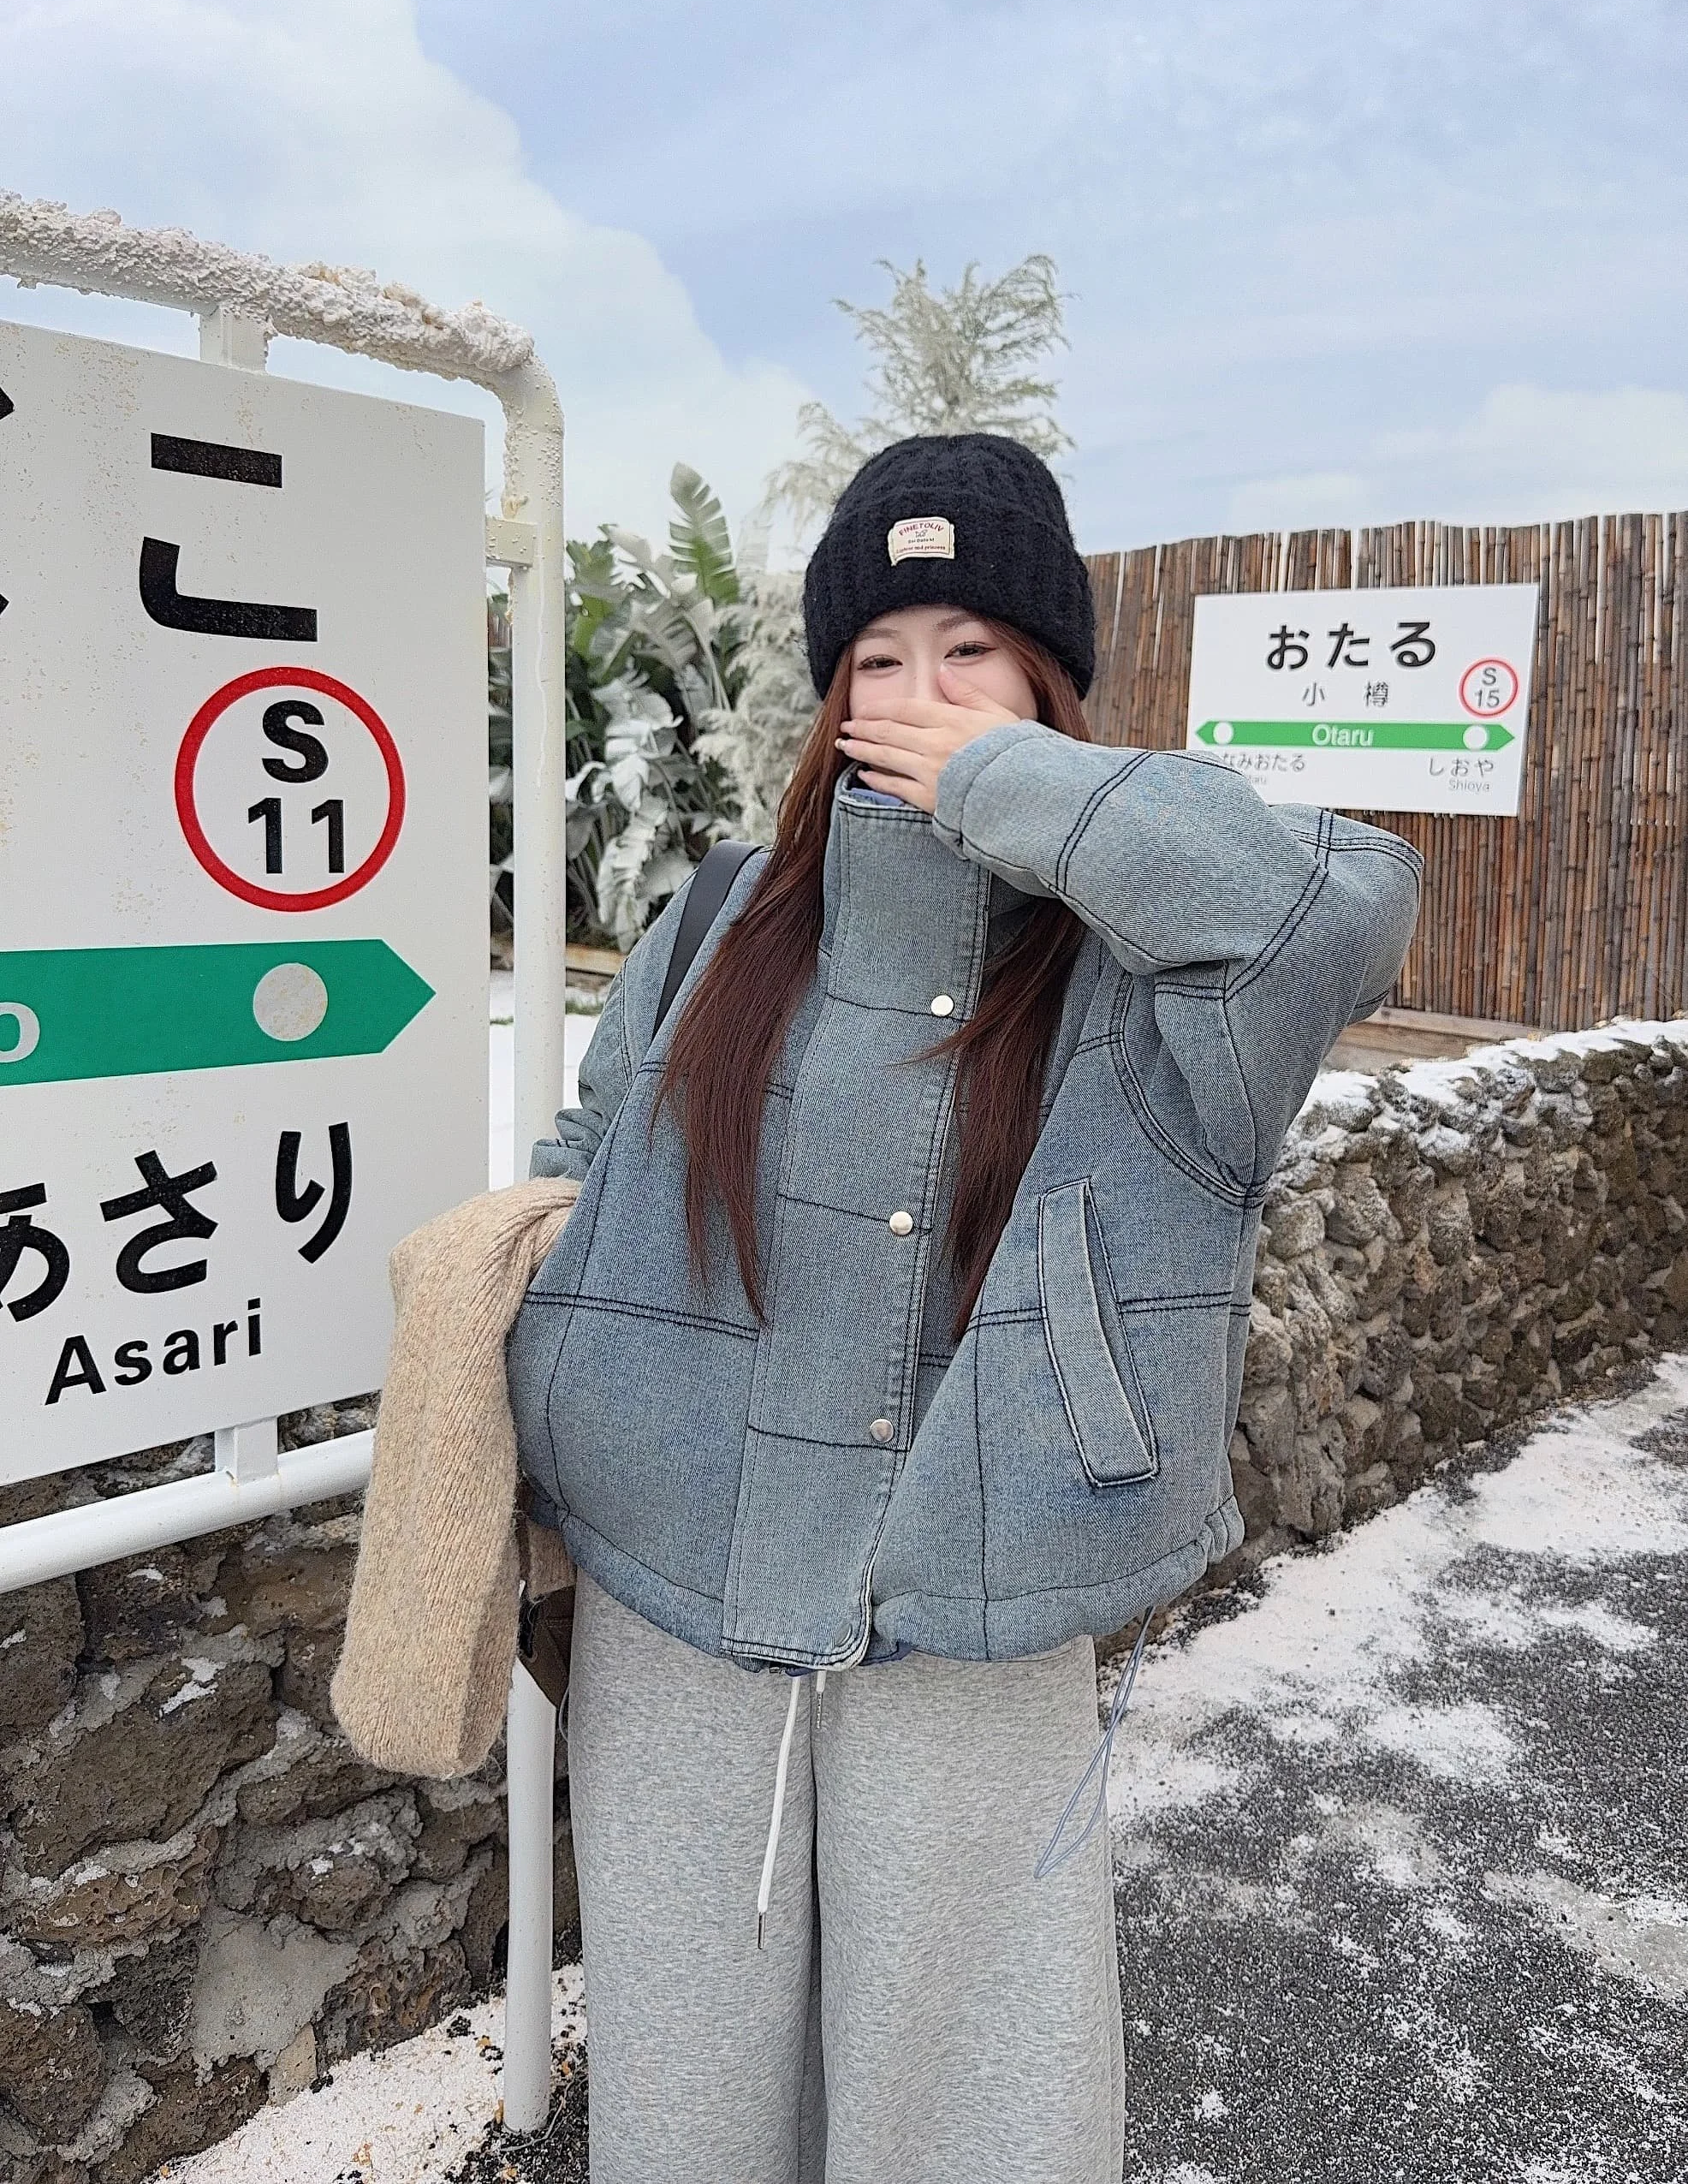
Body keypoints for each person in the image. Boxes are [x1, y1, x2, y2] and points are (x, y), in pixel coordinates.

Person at [510, 433, 1422, 2182]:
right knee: (682, 2089)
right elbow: (592, 1137)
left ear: (1045, 686)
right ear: (824, 696)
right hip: (673, 1582)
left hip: (971, 1591)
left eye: (967, 654)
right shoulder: (722, 911)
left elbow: (1338, 906)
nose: (917, 696)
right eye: (875, 660)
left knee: (962, 2097)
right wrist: (548, 1309)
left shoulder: (1151, 967)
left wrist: (1015, 794)